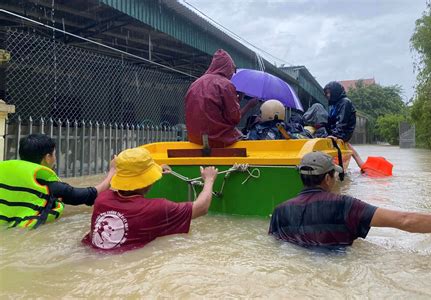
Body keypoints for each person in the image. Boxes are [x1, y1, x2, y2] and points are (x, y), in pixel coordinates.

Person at [269, 151, 431, 248]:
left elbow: (274, 248)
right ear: (328, 178)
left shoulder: (279, 211)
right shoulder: (345, 206)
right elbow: (405, 220)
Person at [82, 147, 218, 251]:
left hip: (90, 254)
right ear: (148, 181)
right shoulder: (157, 208)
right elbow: (201, 207)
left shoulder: (102, 199)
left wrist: (157, 169)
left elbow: (110, 182)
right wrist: (209, 179)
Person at [0, 134, 115, 229]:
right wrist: (113, 171)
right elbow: (90, 194)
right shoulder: (51, 186)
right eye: (54, 154)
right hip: (22, 231)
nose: (55, 158)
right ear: (47, 157)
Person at [185, 49, 258, 148]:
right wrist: (249, 105)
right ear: (227, 68)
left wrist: (237, 100)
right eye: (232, 71)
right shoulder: (225, 84)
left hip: (195, 138)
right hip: (217, 139)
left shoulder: (195, 83)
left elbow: (211, 109)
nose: (232, 75)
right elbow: (234, 118)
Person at [247, 99, 311, 140]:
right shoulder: (288, 127)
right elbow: (307, 137)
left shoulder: (256, 129)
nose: (260, 115)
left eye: (261, 112)